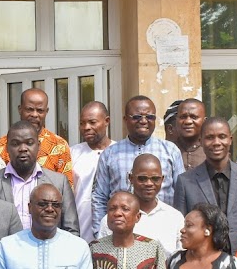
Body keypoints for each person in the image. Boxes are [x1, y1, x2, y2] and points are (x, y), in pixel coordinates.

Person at [91, 96, 186, 238]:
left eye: (150, 116)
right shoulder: (110, 154)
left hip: (165, 229)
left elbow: (181, 195)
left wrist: (178, 229)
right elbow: (99, 197)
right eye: (136, 116)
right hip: (121, 234)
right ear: (125, 120)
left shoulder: (171, 151)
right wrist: (102, 233)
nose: (143, 121)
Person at [173, 117, 237, 251]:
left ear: (230, 140)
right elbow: (181, 228)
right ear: (201, 141)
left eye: (222, 136)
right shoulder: (186, 182)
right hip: (203, 262)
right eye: (210, 137)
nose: (216, 142)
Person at [0, 121, 79, 236]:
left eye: (29, 143)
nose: (23, 148)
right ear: (7, 147)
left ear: (38, 146)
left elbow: (71, 230)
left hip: (48, 251)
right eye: (15, 144)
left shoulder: (59, 182)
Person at [0, 88, 73, 184]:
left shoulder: (59, 146)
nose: (34, 114)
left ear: (46, 112)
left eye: (40, 110)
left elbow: (66, 187)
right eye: (29, 109)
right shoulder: (1, 145)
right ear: (20, 109)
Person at [110, 154, 184, 255]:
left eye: (155, 179)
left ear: (162, 180)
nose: (149, 183)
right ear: (131, 178)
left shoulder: (175, 217)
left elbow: (181, 258)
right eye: (142, 178)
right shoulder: (115, 219)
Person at [70, 101, 112, 241]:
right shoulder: (72, 153)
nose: (86, 127)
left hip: (113, 234)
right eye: (82, 123)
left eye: (92, 122)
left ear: (107, 121)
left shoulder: (118, 152)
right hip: (79, 233)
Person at [171, 99, 207, 170]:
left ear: (204, 121)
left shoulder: (211, 151)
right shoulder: (168, 151)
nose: (188, 121)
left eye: (194, 117)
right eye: (183, 117)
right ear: (176, 121)